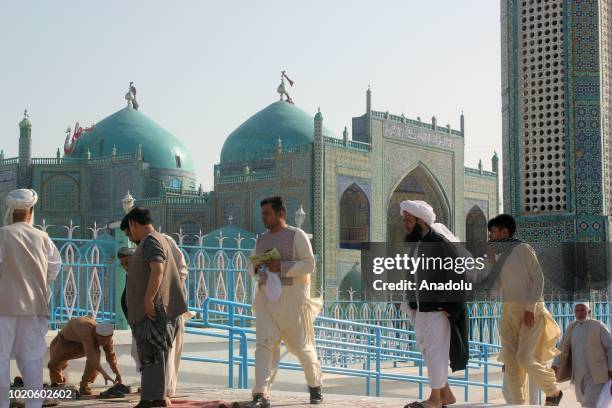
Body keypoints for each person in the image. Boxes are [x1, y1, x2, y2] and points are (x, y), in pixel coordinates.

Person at [245, 196, 323, 408]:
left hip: (291, 300)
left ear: (281, 214)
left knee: (301, 347)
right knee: (264, 345)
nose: (263, 218)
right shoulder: (261, 239)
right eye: (262, 214)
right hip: (266, 299)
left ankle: (315, 386)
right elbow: (251, 266)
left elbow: (309, 265)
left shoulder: (296, 235)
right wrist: (258, 266)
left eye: (267, 214)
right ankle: (260, 394)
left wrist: (280, 266)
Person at [486, 214, 563, 405]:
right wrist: (490, 260)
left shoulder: (523, 249)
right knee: (511, 363)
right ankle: (517, 403)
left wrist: (530, 308)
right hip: (509, 313)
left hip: (531, 312)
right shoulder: (501, 255)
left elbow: (539, 279)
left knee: (525, 358)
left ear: (505, 232)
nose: (490, 237)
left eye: (493, 233)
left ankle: (553, 392)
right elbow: (495, 285)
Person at [399, 200, 468, 408]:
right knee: (428, 351)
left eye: (409, 221)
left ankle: (435, 399)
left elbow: (459, 275)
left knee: (436, 352)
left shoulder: (439, 243)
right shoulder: (418, 245)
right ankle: (445, 394)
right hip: (422, 309)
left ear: (422, 221)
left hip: (437, 311)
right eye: (405, 221)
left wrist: (447, 305)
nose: (406, 225)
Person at [0, 189, 61, 408]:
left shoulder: (3, 234)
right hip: (35, 307)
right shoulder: (43, 237)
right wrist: (38, 285)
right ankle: (34, 403)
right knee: (32, 359)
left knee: (1, 358)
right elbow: (54, 268)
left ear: (11, 211)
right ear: (31, 211)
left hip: (4, 307)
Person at [119, 217, 191, 399]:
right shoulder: (143, 247)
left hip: (163, 311)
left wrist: (159, 297)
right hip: (147, 314)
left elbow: (175, 270)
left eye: (129, 232)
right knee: (148, 355)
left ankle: (160, 394)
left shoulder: (160, 241)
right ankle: (153, 392)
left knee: (162, 354)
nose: (130, 237)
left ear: (135, 226)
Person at [551, 302, 612, 407]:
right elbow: (562, 349)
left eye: (582, 310)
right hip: (578, 374)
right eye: (577, 311)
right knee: (585, 403)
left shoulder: (598, 326)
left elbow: (610, 347)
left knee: (589, 403)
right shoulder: (571, 328)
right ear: (574, 312)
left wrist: (611, 368)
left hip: (596, 374)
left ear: (588, 311)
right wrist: (555, 365)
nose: (580, 313)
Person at [47, 318, 120, 394]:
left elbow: (110, 355)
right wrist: (103, 373)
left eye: (106, 341)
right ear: (96, 333)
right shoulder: (85, 330)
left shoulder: (108, 337)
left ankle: (84, 386)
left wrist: (117, 373)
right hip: (64, 342)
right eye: (101, 340)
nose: (103, 343)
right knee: (54, 364)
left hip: (83, 344)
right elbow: (90, 356)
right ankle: (58, 387)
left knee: (96, 352)